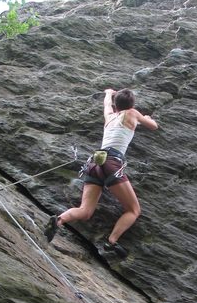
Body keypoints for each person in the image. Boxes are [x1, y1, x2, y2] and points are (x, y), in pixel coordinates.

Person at [44, 87, 158, 258]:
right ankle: (111, 241)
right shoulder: (133, 113)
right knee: (133, 210)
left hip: (95, 162)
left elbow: (106, 105)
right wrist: (146, 118)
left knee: (85, 211)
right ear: (131, 104)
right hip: (112, 162)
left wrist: (108, 93)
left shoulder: (110, 116)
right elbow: (154, 126)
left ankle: (59, 221)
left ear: (116, 104)